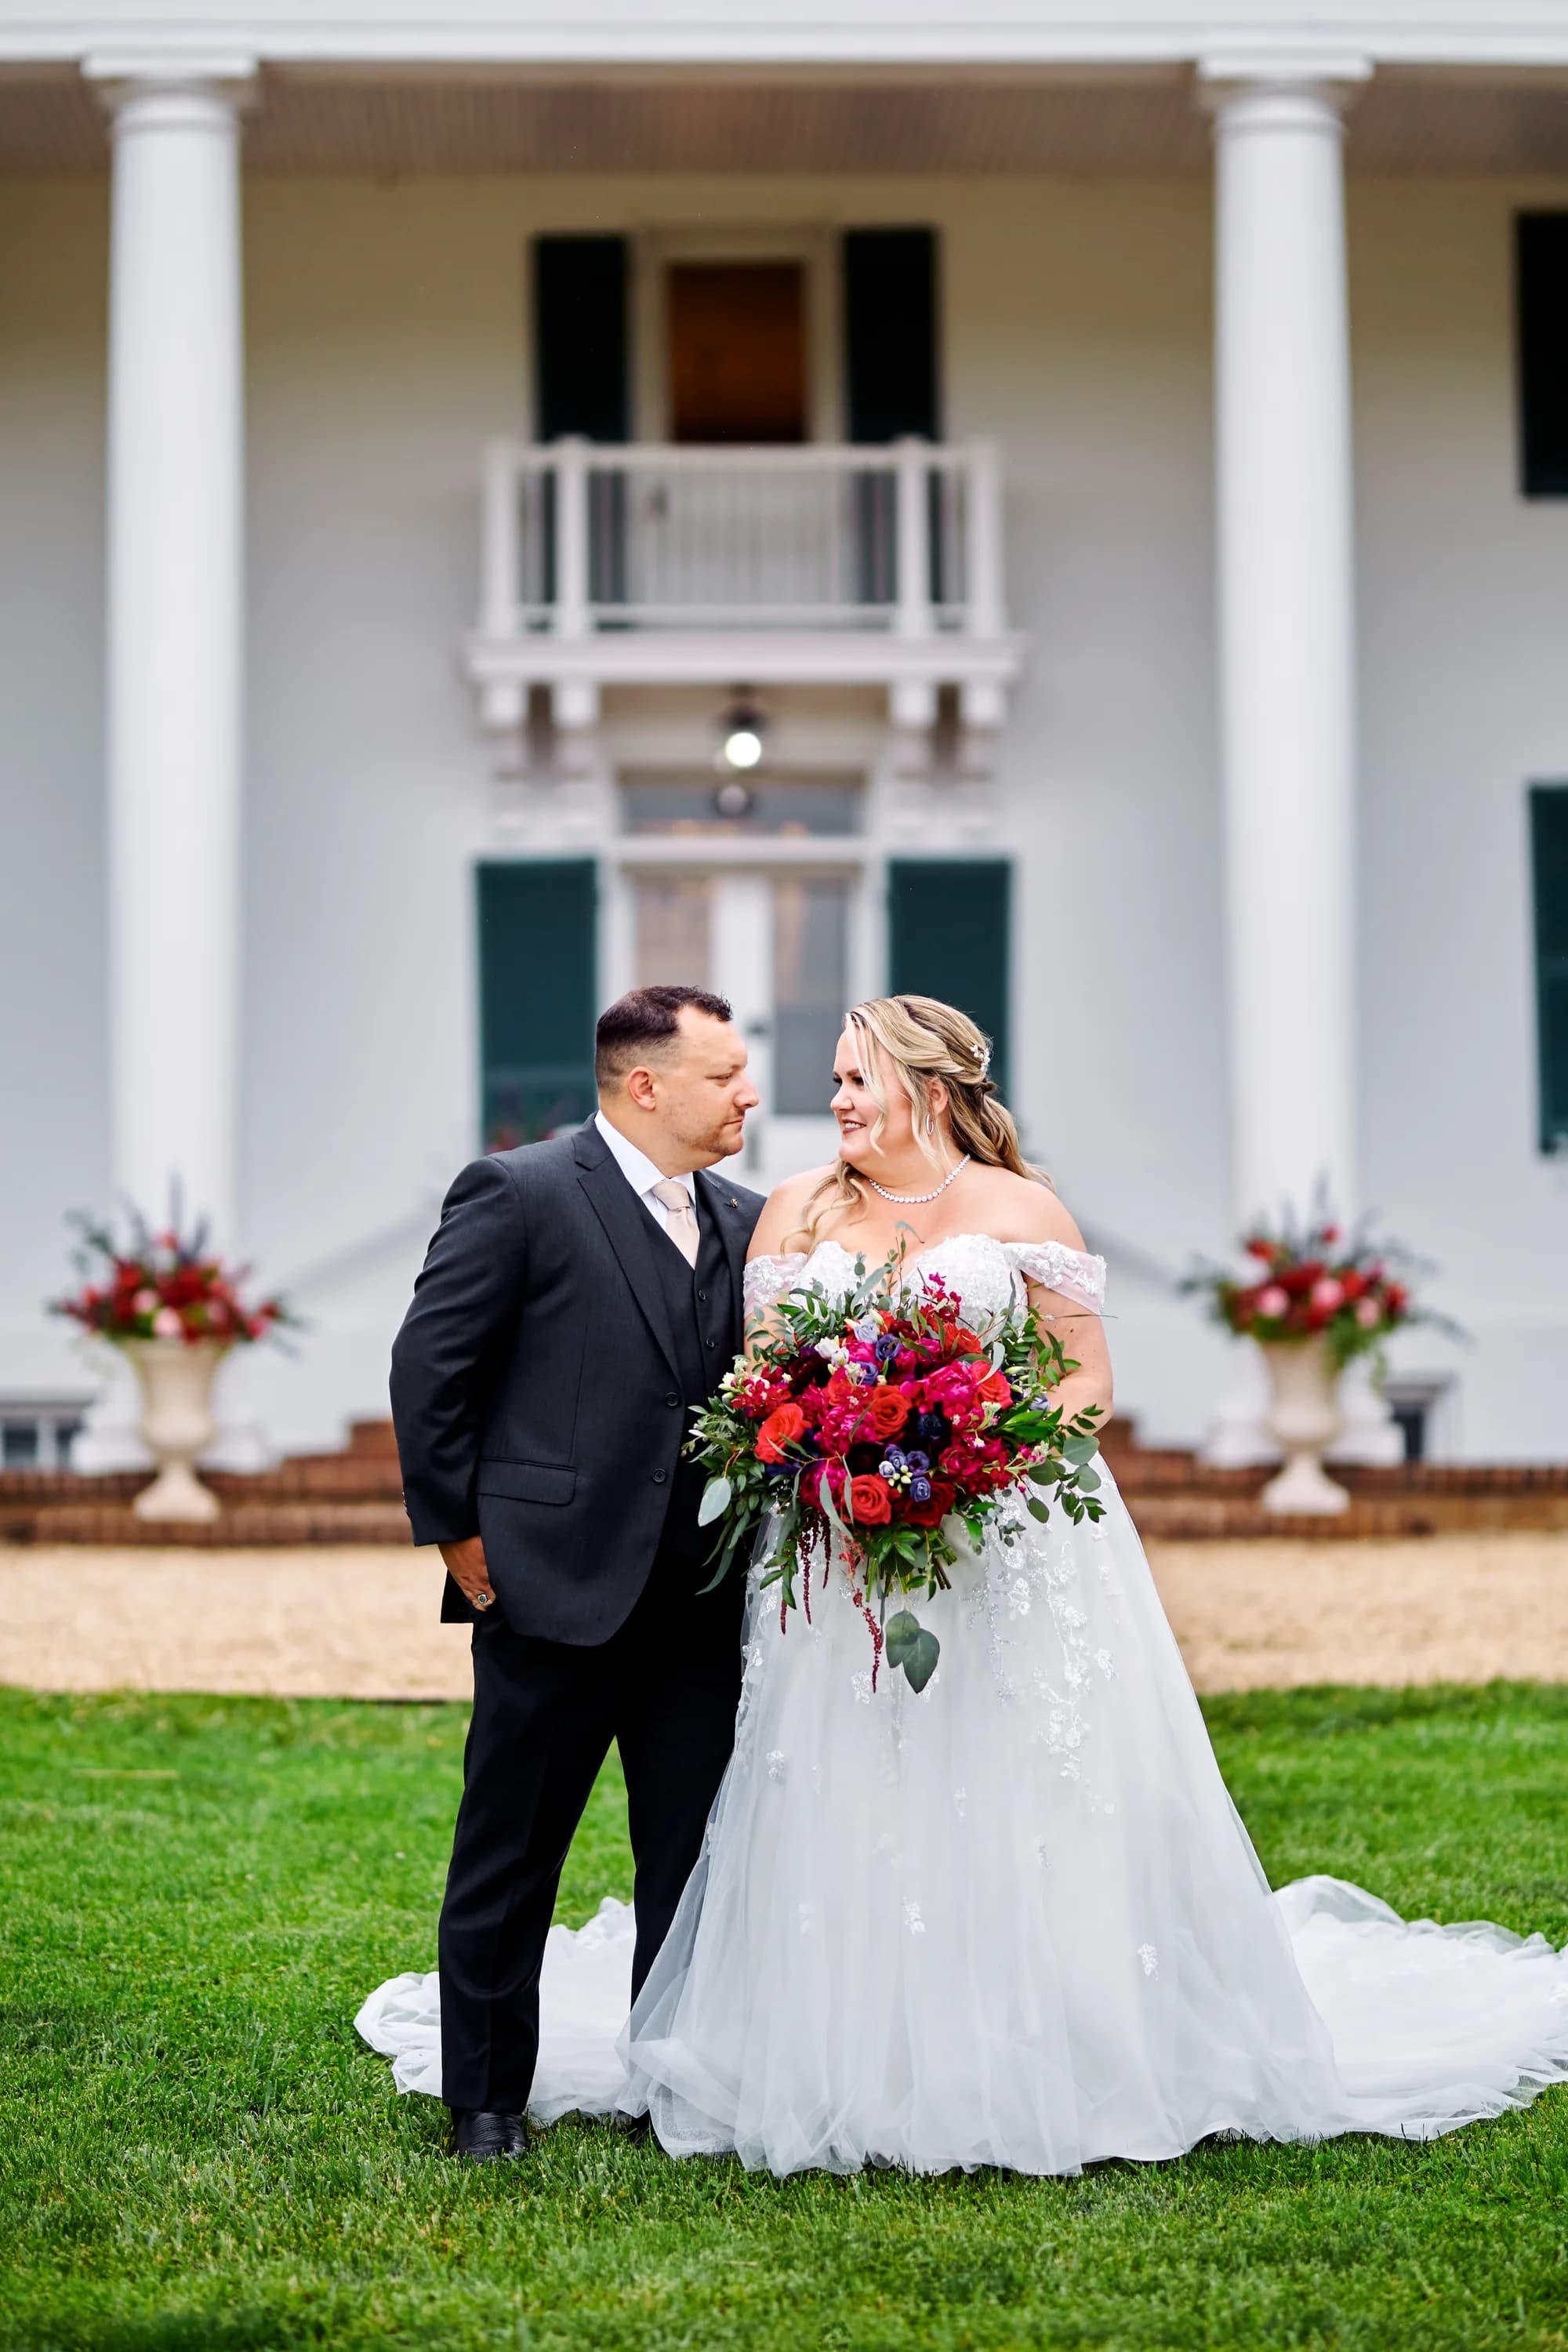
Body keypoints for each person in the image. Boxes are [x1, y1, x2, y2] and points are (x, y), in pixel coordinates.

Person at [361, 993, 1568, 2176]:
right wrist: (468, 1541)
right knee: (656, 1826)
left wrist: (984, 1458)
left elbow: (1085, 1379)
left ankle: (740, 2061)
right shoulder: (776, 1209)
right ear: (646, 1085)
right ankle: (514, 2097)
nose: (803, 1098)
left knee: (894, 1813)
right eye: (759, 1076)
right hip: (795, 1567)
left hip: (985, 1551)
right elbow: (708, 1385)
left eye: (847, 1078)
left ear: (926, 1088)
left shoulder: (977, 1208)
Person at [382, 984, 763, 2162]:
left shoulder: (751, 1219)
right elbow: (430, 1372)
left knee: (693, 1862)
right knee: (510, 1855)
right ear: (645, 1085)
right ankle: (487, 2102)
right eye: (724, 1076)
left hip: (703, 1600)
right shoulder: (520, 1193)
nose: (749, 1093)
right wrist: (463, 1545)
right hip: (549, 1587)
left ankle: (675, 2085)